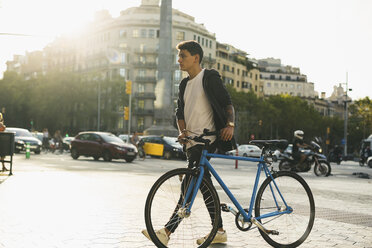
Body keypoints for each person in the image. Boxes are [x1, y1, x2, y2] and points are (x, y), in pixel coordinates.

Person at [142, 40, 235, 246]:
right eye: (179, 56)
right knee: (204, 185)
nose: (179, 60)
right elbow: (180, 112)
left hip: (207, 140)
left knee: (188, 185)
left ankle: (166, 232)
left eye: (183, 55)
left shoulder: (209, 77)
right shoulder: (184, 83)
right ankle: (219, 230)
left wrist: (230, 125)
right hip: (191, 142)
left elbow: (227, 102)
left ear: (196, 57)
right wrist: (182, 131)